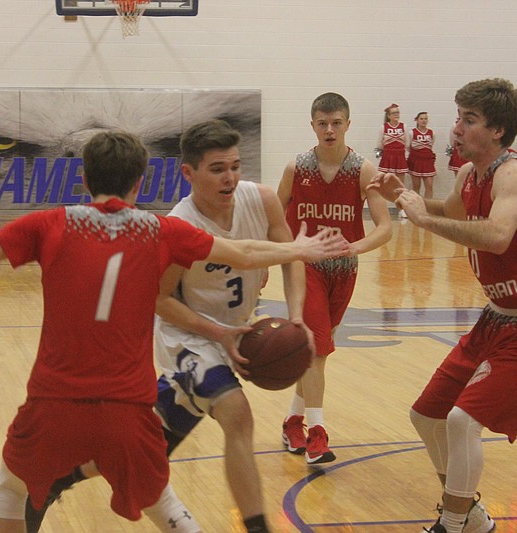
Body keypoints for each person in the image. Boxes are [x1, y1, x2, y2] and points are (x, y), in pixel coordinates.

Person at [0, 131, 348, 533]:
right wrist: (300, 250)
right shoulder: (162, 229)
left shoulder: (49, 223)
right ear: (140, 182)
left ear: (83, 177)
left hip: (52, 403)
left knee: (10, 489)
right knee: (162, 503)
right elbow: (242, 253)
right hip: (127, 410)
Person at [369, 78, 517, 533]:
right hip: (496, 320)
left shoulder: (514, 174)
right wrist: (403, 195)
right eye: (458, 118)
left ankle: (453, 523)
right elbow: (454, 212)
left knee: (462, 420)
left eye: (469, 120)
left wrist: (423, 218)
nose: (456, 129)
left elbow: (498, 237)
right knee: (426, 415)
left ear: (497, 130)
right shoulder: (468, 174)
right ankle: (470, 514)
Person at [152, 119, 314, 533]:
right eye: (218, 169)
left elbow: (291, 255)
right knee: (237, 413)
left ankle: (71, 472)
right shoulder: (180, 225)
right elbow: (160, 300)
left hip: (236, 330)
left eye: (236, 166)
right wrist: (218, 334)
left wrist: (297, 318)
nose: (231, 178)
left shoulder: (260, 199)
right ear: (189, 173)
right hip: (187, 336)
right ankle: (258, 527)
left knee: (147, 448)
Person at [279, 92, 393, 465]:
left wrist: (354, 248)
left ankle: (292, 420)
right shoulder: (297, 168)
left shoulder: (364, 170)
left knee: (314, 353)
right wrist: (270, 260)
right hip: (304, 264)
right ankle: (318, 434)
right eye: (322, 123)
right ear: (312, 125)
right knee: (317, 348)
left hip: (343, 270)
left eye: (336, 122)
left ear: (347, 124)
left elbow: (385, 228)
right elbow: (275, 218)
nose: (330, 130)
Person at [376, 103, 409, 217]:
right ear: (389, 116)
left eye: (398, 112)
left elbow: (407, 143)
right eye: (394, 113)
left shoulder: (403, 126)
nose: (396, 115)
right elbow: (379, 144)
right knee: (383, 184)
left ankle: (401, 210)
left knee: (400, 186)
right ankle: (381, 210)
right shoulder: (383, 127)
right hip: (387, 157)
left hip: (400, 156)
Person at [407, 112, 437, 199]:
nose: (424, 121)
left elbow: (431, 146)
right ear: (417, 120)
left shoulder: (432, 133)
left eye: (425, 119)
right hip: (416, 161)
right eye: (421, 119)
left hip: (427, 161)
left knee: (429, 185)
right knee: (416, 186)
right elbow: (408, 146)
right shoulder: (412, 133)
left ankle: (428, 207)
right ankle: (416, 206)